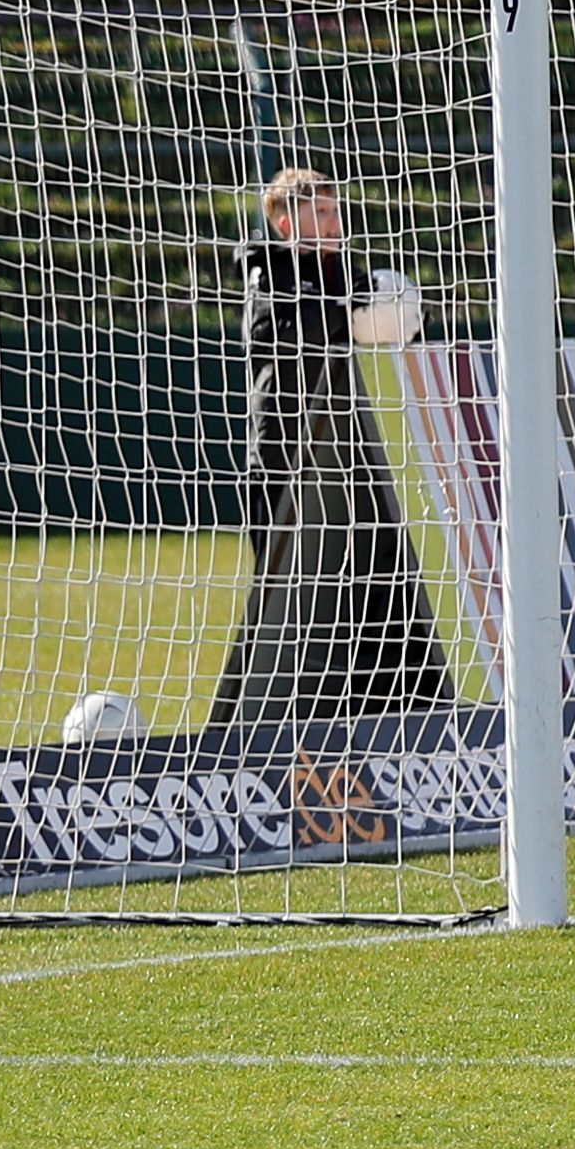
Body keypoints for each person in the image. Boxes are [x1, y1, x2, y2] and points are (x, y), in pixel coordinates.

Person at [205, 166, 456, 730]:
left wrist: (395, 315)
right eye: (321, 213)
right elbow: (284, 331)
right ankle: (271, 726)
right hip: (284, 456)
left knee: (371, 584)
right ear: (287, 221)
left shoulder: (346, 273)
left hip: (351, 454)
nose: (335, 222)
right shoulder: (264, 267)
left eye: (336, 210)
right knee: (289, 598)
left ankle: (392, 711)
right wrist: (350, 314)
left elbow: (405, 325)